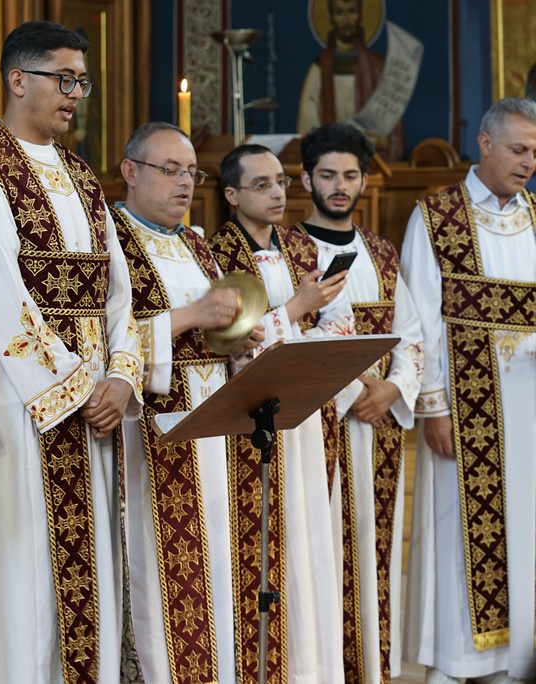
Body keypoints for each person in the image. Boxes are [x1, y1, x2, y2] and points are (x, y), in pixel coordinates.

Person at [0, 21, 143, 684]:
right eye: (64, 78)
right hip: (24, 406)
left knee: (97, 582)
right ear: (17, 78)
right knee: (22, 580)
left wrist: (120, 376)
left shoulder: (82, 175)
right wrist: (77, 388)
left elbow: (119, 291)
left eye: (81, 80)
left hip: (95, 412)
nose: (76, 93)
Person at [112, 121, 267, 684]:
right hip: (150, 436)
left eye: (191, 172)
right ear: (130, 172)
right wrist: (193, 317)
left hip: (215, 437)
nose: (184, 183)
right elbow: (107, 336)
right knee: (160, 579)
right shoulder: (110, 238)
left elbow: (219, 333)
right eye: (169, 170)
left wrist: (239, 338)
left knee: (219, 575)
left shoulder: (197, 244)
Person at [207, 144, 353, 684]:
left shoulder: (299, 245)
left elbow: (341, 322)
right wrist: (295, 312)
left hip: (308, 410)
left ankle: (315, 668)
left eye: (280, 184)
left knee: (311, 537)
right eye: (262, 185)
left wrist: (302, 329)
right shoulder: (217, 253)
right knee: (268, 543)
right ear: (231, 194)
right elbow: (230, 339)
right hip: (254, 418)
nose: (276, 194)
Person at [402, 97, 536, 684]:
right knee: (459, 531)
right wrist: (435, 405)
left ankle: (517, 659)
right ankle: (459, 661)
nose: (529, 161)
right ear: (484, 144)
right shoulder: (437, 215)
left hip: (529, 406)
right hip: (467, 407)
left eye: (535, 151)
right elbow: (419, 318)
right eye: (519, 149)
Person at [292, 122, 423, 684]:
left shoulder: (381, 251)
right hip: (320, 423)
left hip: (378, 428)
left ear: (365, 180)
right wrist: (352, 391)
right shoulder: (289, 248)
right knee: (319, 550)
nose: (339, 186)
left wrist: (394, 389)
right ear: (305, 179)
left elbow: (412, 333)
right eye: (327, 175)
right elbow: (288, 337)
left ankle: (371, 670)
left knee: (374, 551)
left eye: (349, 175)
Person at [296, 0, 403, 161]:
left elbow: (393, 129)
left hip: (369, 162)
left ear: (360, 15)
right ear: (332, 18)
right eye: (340, 13)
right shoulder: (320, 67)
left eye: (351, 11)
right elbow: (307, 125)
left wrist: (378, 139)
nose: (346, 19)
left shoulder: (376, 66)